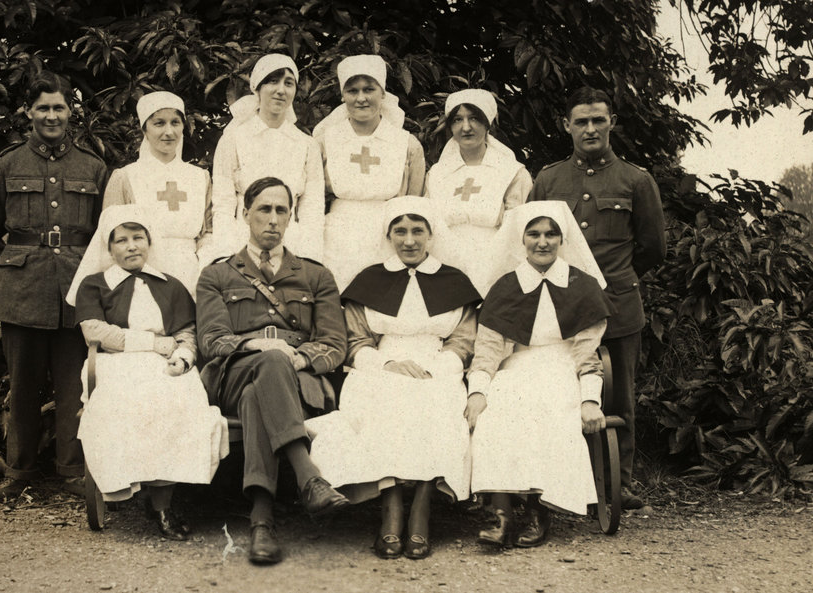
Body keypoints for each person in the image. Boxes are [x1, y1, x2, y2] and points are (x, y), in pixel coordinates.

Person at [307, 196, 478, 560]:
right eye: (399, 231)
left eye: (418, 230)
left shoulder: (454, 280)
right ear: (388, 235)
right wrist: (385, 364)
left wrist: (437, 368)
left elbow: (463, 339)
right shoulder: (370, 279)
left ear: (432, 235)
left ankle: (422, 507)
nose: (409, 240)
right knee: (382, 404)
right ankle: (391, 506)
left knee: (437, 405)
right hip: (378, 366)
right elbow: (354, 338)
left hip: (438, 366)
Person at [195, 177, 349, 565]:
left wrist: (298, 358)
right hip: (233, 373)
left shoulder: (316, 276)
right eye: (264, 209)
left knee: (260, 390)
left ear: (290, 217)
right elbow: (212, 340)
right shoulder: (217, 275)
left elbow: (334, 344)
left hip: (300, 381)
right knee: (268, 364)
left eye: (282, 210)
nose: (273, 219)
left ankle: (261, 521)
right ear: (245, 214)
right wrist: (257, 346)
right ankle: (307, 477)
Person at [0, 71, 109, 501]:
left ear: (72, 111)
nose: (52, 115)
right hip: (23, 292)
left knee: (75, 388)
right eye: (43, 107)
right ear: (28, 112)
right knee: (23, 387)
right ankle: (18, 472)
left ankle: (71, 472)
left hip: (76, 290)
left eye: (59, 107)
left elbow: (107, 234)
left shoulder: (94, 166)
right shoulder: (6, 165)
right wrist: (13, 269)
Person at [528, 86, 666, 509]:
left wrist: (616, 280)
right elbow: (533, 239)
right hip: (562, 307)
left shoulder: (636, 180)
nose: (590, 129)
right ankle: (564, 484)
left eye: (598, 120)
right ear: (566, 126)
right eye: (581, 121)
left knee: (619, 397)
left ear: (612, 124)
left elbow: (652, 248)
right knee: (558, 391)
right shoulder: (549, 179)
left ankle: (617, 485)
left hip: (618, 306)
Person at [65, 204, 229, 539]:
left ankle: (163, 504)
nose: (131, 246)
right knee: (129, 406)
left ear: (149, 241)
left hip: (165, 365)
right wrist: (155, 344)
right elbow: (95, 333)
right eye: (121, 240)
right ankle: (135, 489)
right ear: (109, 247)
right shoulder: (94, 285)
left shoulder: (170, 285)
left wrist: (183, 356)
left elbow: (186, 332)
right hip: (115, 365)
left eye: (138, 237)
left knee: (177, 402)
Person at [464, 201, 611, 548]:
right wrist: (478, 390)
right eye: (534, 234)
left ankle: (537, 511)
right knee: (495, 413)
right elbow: (488, 347)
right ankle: (500, 516)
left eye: (550, 234)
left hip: (563, 368)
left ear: (563, 239)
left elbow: (588, 351)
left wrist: (590, 399)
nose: (542, 242)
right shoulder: (506, 286)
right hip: (514, 366)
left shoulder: (582, 284)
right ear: (522, 239)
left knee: (550, 413)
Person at [314, 54, 427, 291]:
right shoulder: (325, 141)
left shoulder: (407, 145)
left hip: (387, 238)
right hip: (336, 237)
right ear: (342, 95)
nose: (361, 98)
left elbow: (413, 203)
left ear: (382, 93)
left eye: (369, 89)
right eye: (352, 91)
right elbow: (313, 200)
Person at [211, 54, 325, 261]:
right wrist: (225, 253)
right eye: (273, 81)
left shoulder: (307, 144)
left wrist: (310, 255)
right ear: (257, 87)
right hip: (241, 239)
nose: (281, 90)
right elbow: (223, 202)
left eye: (288, 83)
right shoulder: (233, 139)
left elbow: (312, 206)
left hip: (293, 242)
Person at [101, 91, 212, 293]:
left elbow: (208, 233)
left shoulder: (200, 177)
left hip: (192, 276)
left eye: (175, 123)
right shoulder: (125, 177)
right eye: (159, 123)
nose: (169, 132)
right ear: (144, 129)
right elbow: (110, 240)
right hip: (141, 278)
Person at [426, 89, 532, 292]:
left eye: (474, 118)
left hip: (497, 265)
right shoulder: (437, 174)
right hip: (445, 264)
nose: (466, 127)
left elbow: (516, 230)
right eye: (457, 120)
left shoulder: (512, 172)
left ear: (487, 123)